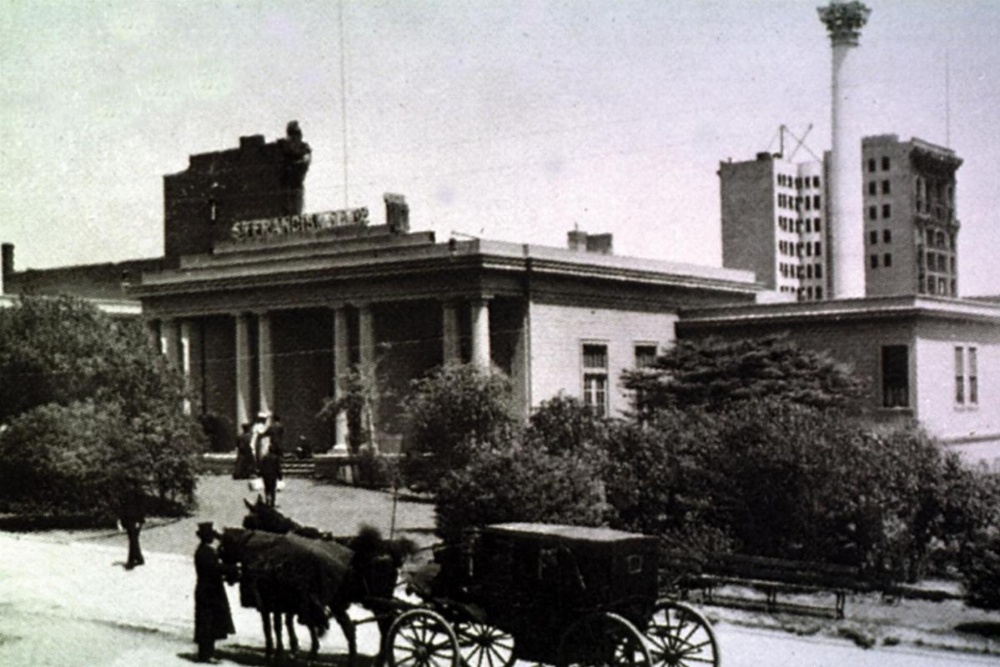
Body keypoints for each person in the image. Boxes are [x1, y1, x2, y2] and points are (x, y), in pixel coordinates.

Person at [194, 522, 235, 663]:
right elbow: (215, 568)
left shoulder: (204, 550)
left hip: (208, 589)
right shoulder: (205, 552)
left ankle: (206, 653)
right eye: (211, 536)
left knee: (208, 622)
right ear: (207, 538)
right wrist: (233, 569)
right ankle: (206, 655)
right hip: (209, 591)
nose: (213, 539)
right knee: (208, 622)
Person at [117, 487, 146, 570]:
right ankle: (139, 559)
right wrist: (121, 521)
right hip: (128, 520)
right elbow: (122, 508)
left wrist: (139, 520)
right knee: (133, 540)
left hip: (135, 520)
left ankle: (131, 562)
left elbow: (141, 508)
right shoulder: (125, 495)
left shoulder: (138, 494)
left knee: (133, 540)